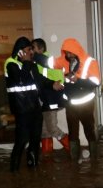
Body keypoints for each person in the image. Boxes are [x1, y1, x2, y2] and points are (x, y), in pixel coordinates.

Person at [5, 37, 62, 172]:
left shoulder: (31, 63)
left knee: (35, 139)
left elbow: (40, 80)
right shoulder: (11, 64)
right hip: (22, 109)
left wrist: (52, 84)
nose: (31, 52)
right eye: (28, 50)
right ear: (20, 52)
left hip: (35, 108)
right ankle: (14, 169)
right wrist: (26, 63)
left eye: (31, 49)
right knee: (22, 140)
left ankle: (33, 165)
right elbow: (21, 79)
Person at [52, 38, 101, 160]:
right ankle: (74, 160)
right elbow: (50, 64)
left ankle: (94, 158)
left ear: (76, 50)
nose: (69, 55)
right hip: (70, 105)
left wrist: (78, 81)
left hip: (86, 105)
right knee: (73, 134)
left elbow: (96, 82)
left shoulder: (90, 62)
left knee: (89, 131)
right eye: (66, 53)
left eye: (70, 52)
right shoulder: (64, 61)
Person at [31, 38, 69, 153]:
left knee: (52, 128)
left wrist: (33, 57)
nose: (31, 51)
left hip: (51, 99)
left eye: (33, 48)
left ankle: (71, 148)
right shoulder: (39, 61)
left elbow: (46, 81)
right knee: (44, 130)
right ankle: (47, 156)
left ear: (41, 49)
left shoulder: (43, 60)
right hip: (45, 99)